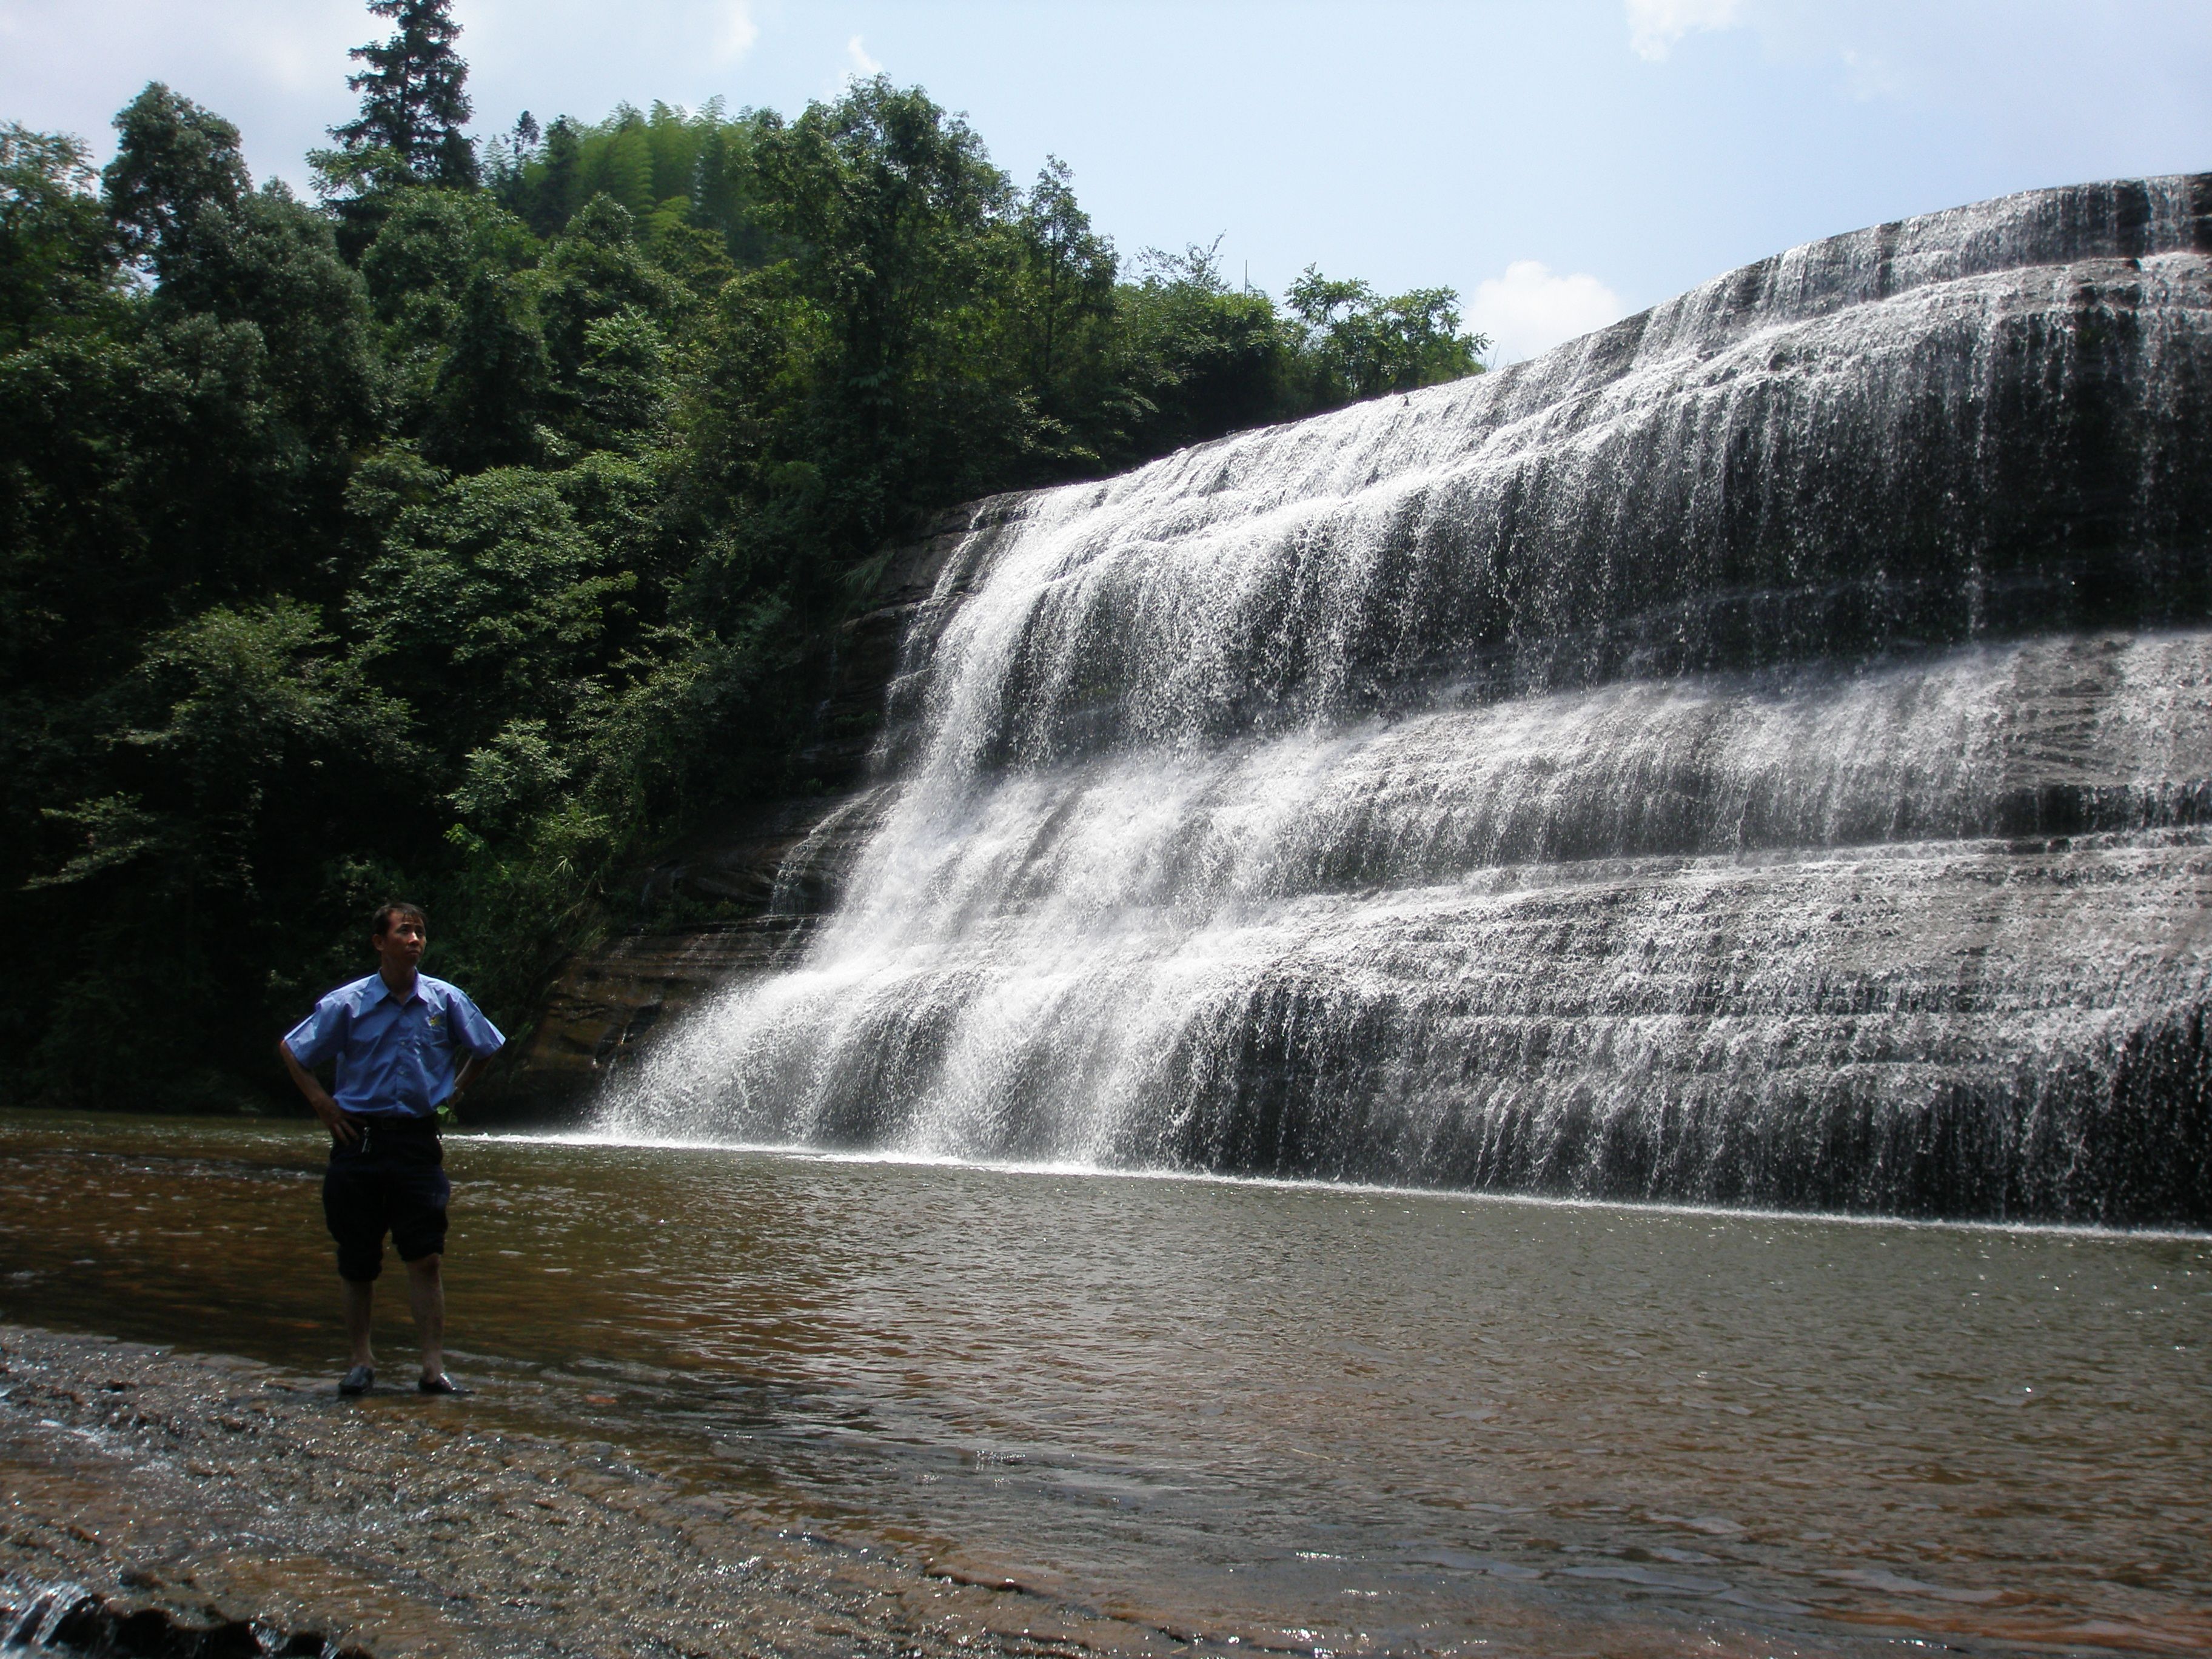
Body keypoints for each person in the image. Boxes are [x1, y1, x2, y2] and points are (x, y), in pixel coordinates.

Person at [279, 902, 504, 1396]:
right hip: (357, 1139)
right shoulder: (348, 1003)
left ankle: (432, 1367)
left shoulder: (445, 1001)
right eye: (405, 931)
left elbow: (487, 1046)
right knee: (358, 1256)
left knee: (426, 1255)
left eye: (421, 932)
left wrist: (456, 1093)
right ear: (380, 942)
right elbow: (293, 1049)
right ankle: (361, 1361)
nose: (415, 940)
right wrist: (322, 1103)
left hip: (418, 1139)